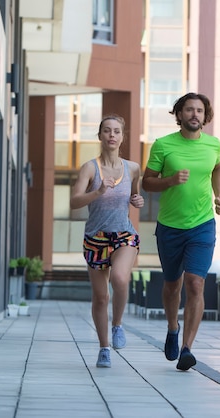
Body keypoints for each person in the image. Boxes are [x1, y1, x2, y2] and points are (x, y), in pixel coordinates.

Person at [142, 92, 220, 371]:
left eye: (199, 111)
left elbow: (218, 168)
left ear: (205, 116)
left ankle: (187, 348)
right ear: (179, 115)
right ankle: (172, 328)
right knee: (172, 285)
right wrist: (169, 180)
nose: (194, 114)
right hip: (170, 226)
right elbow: (147, 183)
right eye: (189, 110)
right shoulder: (164, 145)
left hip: (202, 224)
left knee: (195, 283)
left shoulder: (214, 144)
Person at [70, 114, 144, 368]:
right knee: (101, 298)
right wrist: (98, 191)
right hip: (95, 239)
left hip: (124, 233)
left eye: (116, 131)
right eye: (106, 131)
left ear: (122, 137)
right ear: (100, 136)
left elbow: (135, 196)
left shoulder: (133, 168)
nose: (112, 135)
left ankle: (118, 325)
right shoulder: (90, 168)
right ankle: (104, 348)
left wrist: (138, 201)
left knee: (120, 278)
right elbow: (74, 202)